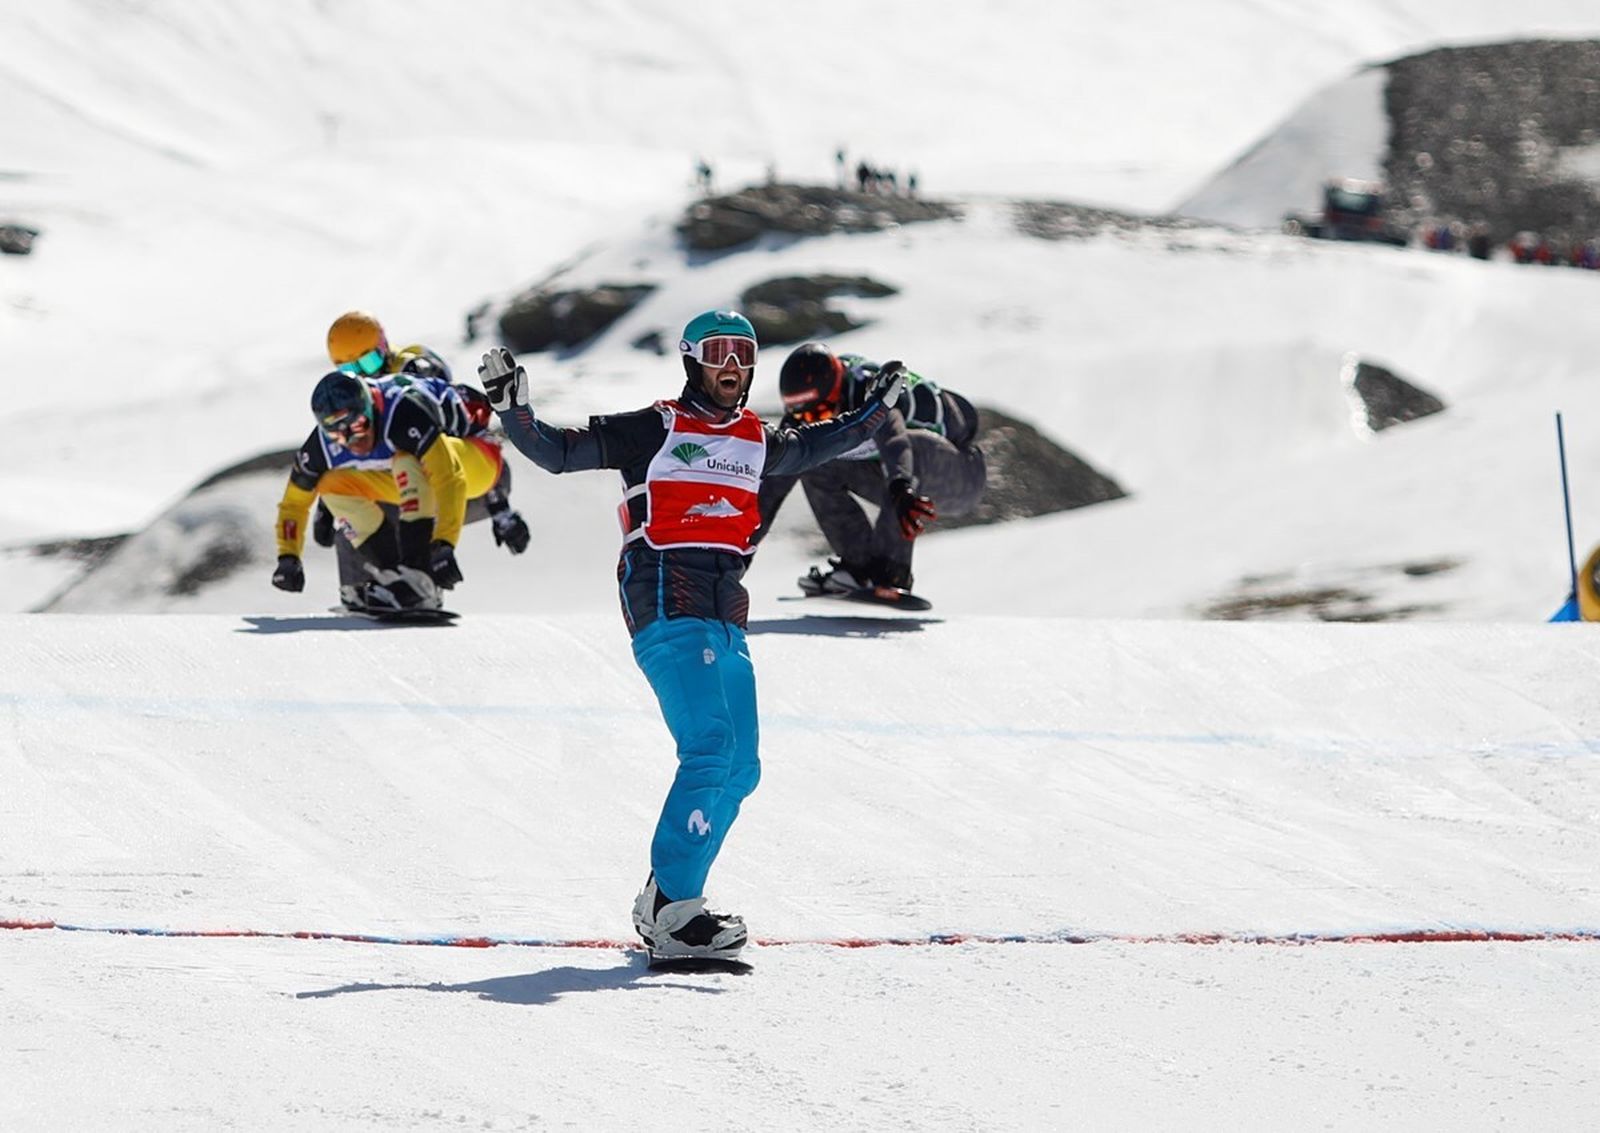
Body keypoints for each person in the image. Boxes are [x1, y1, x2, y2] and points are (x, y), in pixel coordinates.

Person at [476, 309, 907, 962]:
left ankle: (667, 899)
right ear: (691, 362)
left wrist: (877, 411)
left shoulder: (758, 439)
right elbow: (559, 452)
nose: (731, 365)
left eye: (742, 353)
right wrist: (514, 410)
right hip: (666, 592)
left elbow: (823, 443)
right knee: (709, 749)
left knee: (741, 766)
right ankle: (676, 912)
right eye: (717, 353)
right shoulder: (657, 426)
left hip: (726, 608)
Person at [270, 368, 530, 612]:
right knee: (330, 485)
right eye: (337, 435)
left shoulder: (402, 412)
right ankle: (395, 576)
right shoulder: (322, 444)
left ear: (369, 408)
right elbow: (294, 502)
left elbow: (448, 478)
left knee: (407, 459)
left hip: (480, 463)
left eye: (358, 426)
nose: (351, 440)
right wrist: (288, 556)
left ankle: (420, 578)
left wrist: (444, 544)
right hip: (421, 477)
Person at [754, 342, 987, 595]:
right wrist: (735, 551)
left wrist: (900, 486)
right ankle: (859, 568)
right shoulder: (804, 414)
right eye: (803, 418)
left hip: (960, 475)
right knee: (812, 462)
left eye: (819, 412)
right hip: (900, 480)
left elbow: (895, 441)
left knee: (914, 445)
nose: (813, 421)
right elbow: (772, 490)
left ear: (835, 392)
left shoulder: (871, 391)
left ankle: (892, 570)